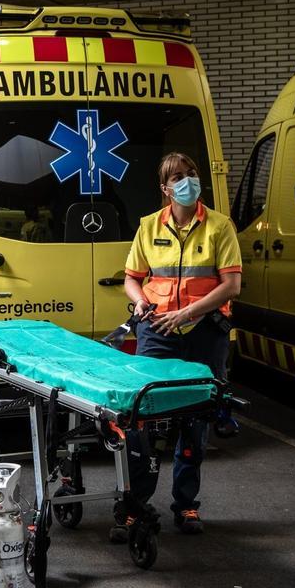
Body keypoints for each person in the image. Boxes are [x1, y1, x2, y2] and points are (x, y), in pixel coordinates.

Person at [113, 152, 242, 540]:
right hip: (157, 332)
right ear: (165, 189)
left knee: (196, 419)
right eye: (177, 178)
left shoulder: (220, 227)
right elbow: (132, 277)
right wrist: (138, 301)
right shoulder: (149, 226)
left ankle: (186, 504)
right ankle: (135, 506)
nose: (186, 181)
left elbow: (231, 285)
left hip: (204, 335)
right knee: (142, 420)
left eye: (191, 174)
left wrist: (188, 315)